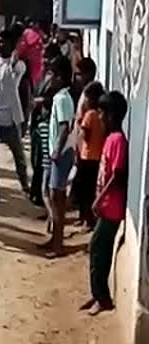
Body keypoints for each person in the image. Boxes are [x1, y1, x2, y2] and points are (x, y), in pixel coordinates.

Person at [80, 91, 128, 316]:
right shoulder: (110, 138)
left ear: (110, 115)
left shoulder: (118, 140)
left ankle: (102, 296)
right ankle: (98, 293)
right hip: (105, 207)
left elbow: (117, 175)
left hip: (111, 208)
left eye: (101, 112)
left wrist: (98, 199)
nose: (98, 116)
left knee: (97, 248)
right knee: (100, 249)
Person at [0, 30, 29, 204]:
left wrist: (15, 60)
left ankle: (25, 185)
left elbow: (16, 73)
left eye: (5, 42)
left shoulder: (19, 66)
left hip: (10, 117)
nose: (1, 45)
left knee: (19, 155)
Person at [41, 55, 76, 258]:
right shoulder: (61, 97)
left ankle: (58, 244)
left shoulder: (62, 99)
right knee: (55, 197)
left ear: (60, 77)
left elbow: (64, 127)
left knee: (57, 198)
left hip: (61, 155)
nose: (49, 78)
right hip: (61, 153)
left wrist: (56, 150)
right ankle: (55, 239)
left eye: (52, 74)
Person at [29, 43, 62, 206]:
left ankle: (43, 198)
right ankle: (36, 192)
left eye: (47, 57)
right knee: (36, 159)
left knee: (43, 161)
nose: (44, 60)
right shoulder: (44, 75)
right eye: (43, 56)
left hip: (47, 123)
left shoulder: (57, 79)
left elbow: (54, 99)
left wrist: (41, 102)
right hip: (37, 122)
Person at [74, 81, 106, 229]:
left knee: (84, 191)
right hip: (97, 157)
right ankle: (88, 219)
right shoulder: (100, 115)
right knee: (92, 190)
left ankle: (86, 219)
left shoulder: (89, 115)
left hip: (87, 157)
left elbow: (85, 136)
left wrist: (80, 125)